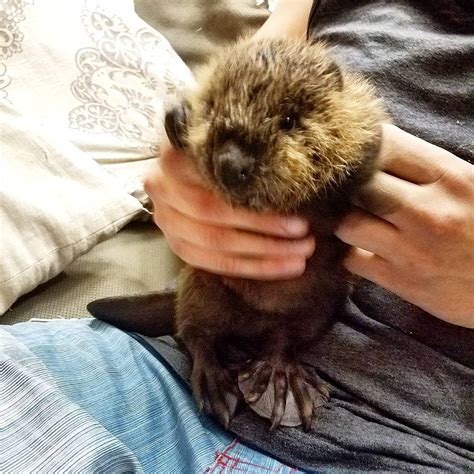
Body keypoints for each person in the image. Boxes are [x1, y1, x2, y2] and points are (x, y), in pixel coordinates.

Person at [2, 1, 473, 471]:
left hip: (404, 438)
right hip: (152, 372)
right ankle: (202, 348)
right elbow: (261, 54)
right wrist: (185, 157)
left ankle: (277, 358)